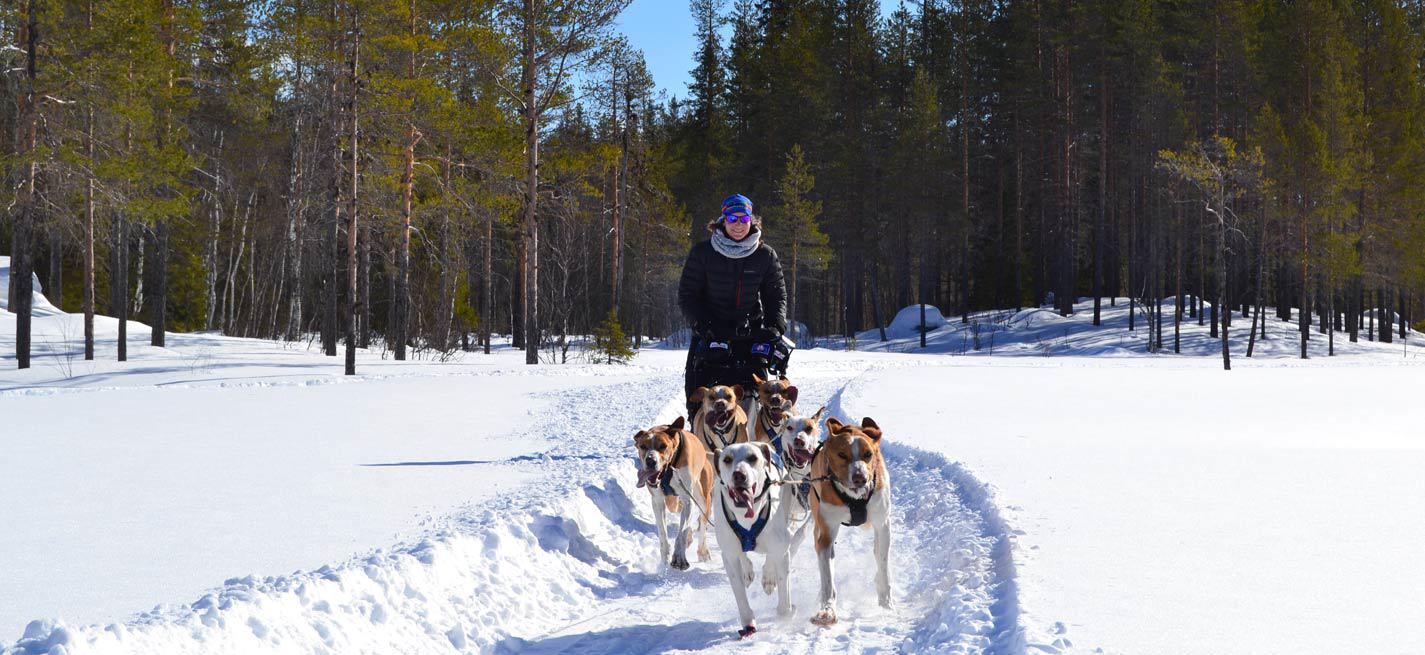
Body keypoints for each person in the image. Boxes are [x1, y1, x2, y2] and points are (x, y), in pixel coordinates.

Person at [677, 194, 790, 419]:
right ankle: (703, 443)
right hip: (711, 333)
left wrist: (775, 327)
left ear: (752, 220)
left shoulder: (765, 255)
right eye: (732, 218)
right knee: (700, 401)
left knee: (758, 402)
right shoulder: (703, 253)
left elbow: (776, 296)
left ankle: (754, 446)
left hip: (751, 335)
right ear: (722, 220)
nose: (738, 224)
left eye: (743, 218)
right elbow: (688, 296)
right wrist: (703, 324)